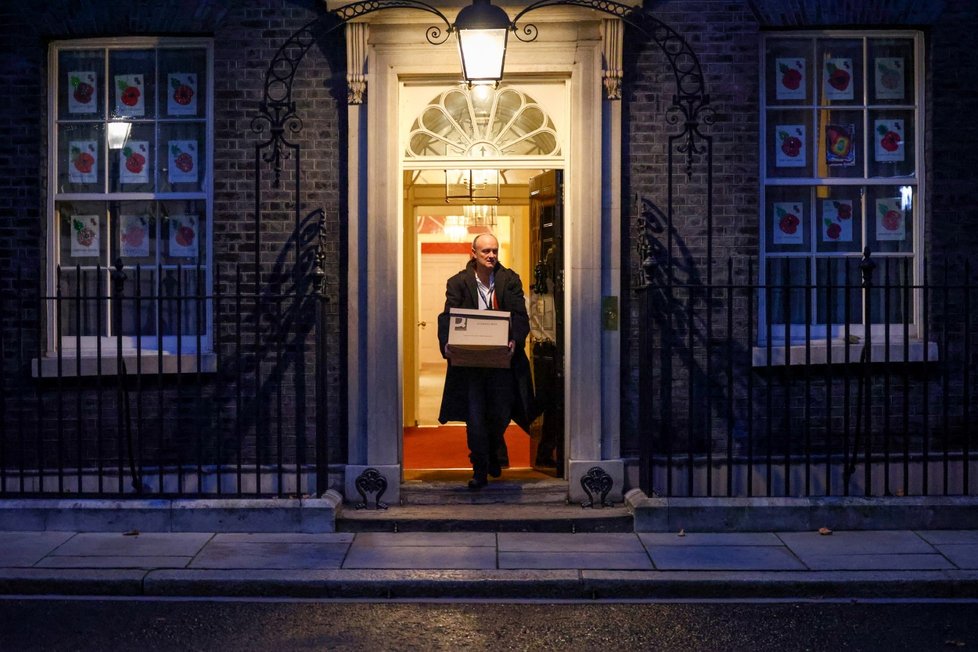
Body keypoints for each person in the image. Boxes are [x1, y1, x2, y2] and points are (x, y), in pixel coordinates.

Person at [437, 233, 535, 490]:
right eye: (485, 252)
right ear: (474, 253)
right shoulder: (457, 283)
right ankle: (479, 469)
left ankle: (493, 452)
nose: (491, 255)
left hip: (503, 365)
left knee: (501, 415)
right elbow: (449, 316)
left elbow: (520, 316)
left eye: (494, 250)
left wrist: (515, 339)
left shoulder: (509, 279)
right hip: (471, 367)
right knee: (476, 419)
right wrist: (446, 343)